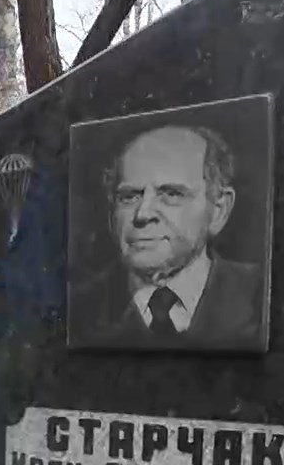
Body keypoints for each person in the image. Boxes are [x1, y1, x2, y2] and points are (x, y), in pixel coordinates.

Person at [73, 123, 263, 347]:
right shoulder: (77, 309)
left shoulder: (261, 296)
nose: (143, 214)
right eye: (129, 196)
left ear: (218, 211)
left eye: (171, 194)